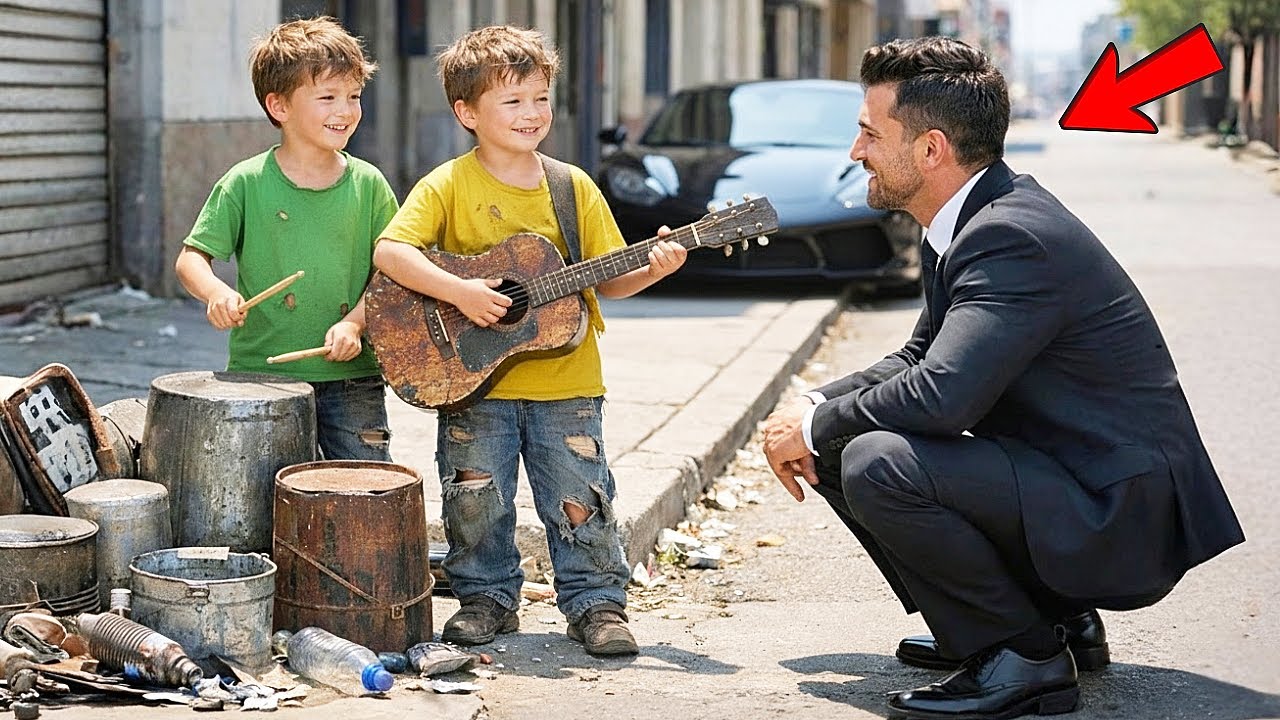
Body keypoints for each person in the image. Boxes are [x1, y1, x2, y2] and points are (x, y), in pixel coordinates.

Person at [761, 36, 1244, 719]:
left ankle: (1022, 656)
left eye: (870, 133)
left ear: (930, 150)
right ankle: (1053, 619)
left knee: (873, 457)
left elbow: (941, 394)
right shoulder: (972, 219)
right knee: (846, 432)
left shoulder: (1009, 235)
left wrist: (814, 427)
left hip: (1118, 515)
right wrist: (808, 408)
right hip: (1078, 481)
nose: (855, 151)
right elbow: (918, 358)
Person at [372, 25, 687, 657]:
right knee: (474, 498)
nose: (532, 113)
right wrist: (460, 293)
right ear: (467, 112)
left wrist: (652, 268)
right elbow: (391, 252)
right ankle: (486, 599)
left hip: (567, 385)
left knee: (580, 497)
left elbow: (609, 279)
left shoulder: (571, 187)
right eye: (512, 101)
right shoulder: (448, 184)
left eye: (541, 97)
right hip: (469, 379)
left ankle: (596, 603)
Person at [176, 17, 396, 462]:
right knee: (262, 496)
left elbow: (393, 273)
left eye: (354, 96)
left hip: (352, 376)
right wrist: (217, 293)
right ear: (279, 106)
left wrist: (355, 323)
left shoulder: (369, 184)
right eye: (328, 97)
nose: (346, 109)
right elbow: (191, 259)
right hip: (261, 375)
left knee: (365, 487)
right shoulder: (246, 181)